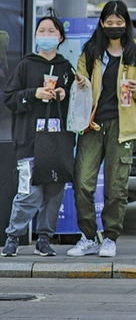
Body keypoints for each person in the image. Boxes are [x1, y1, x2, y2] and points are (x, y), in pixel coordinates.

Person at [68, 1, 136, 258]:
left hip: (123, 126)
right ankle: (88, 235)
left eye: (119, 23)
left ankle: (110, 237)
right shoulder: (91, 51)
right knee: (83, 181)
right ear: (102, 23)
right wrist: (82, 83)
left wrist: (135, 87)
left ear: (126, 24)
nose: (114, 27)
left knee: (116, 187)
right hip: (92, 124)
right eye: (110, 23)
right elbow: (80, 81)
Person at [2, 16, 76, 257]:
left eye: (51, 31)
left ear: (60, 37)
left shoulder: (66, 67)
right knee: (28, 192)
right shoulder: (26, 65)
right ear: (35, 36)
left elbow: (77, 105)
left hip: (58, 142)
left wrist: (65, 94)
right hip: (29, 141)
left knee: (54, 192)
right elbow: (10, 98)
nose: (46, 35)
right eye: (41, 31)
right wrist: (34, 94)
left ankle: (44, 238)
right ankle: (13, 236)